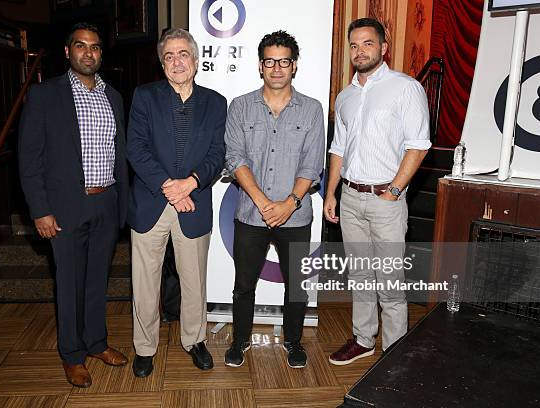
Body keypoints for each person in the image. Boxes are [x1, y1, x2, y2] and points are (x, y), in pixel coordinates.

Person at [18, 23, 129, 387]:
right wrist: (40, 209)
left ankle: (96, 342)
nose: (88, 53)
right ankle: (72, 354)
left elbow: (119, 154)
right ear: (67, 52)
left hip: (106, 201)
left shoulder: (113, 96)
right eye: (80, 46)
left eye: (95, 48)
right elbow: (29, 159)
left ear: (101, 54)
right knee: (68, 283)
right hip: (65, 208)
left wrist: (121, 205)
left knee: (98, 280)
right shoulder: (45, 95)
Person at [324, 18, 431, 365]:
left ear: (383, 48)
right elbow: (338, 149)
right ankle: (364, 339)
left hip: (387, 199)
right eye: (354, 45)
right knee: (359, 275)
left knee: (389, 280)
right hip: (351, 199)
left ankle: (396, 351)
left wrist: (394, 191)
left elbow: (418, 145)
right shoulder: (345, 96)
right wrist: (331, 193)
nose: (359, 51)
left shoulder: (406, 88)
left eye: (367, 43)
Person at [127, 28, 226, 377]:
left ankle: (195, 340)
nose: (176, 61)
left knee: (194, 281)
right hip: (150, 203)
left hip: (194, 203)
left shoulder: (216, 102)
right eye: (168, 56)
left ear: (196, 61)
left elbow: (218, 154)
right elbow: (135, 148)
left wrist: (191, 184)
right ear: (161, 64)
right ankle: (144, 347)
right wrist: (170, 187)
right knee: (145, 282)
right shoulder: (144, 97)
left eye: (183, 54)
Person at [224, 30, 325, 369]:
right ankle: (240, 340)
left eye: (284, 61)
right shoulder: (240, 106)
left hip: (295, 216)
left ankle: (293, 342)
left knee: (297, 286)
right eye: (270, 61)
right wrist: (264, 203)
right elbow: (235, 158)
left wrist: (288, 204)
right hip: (250, 215)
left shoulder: (312, 109)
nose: (277, 68)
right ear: (260, 65)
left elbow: (313, 163)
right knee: (243, 284)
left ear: (294, 66)